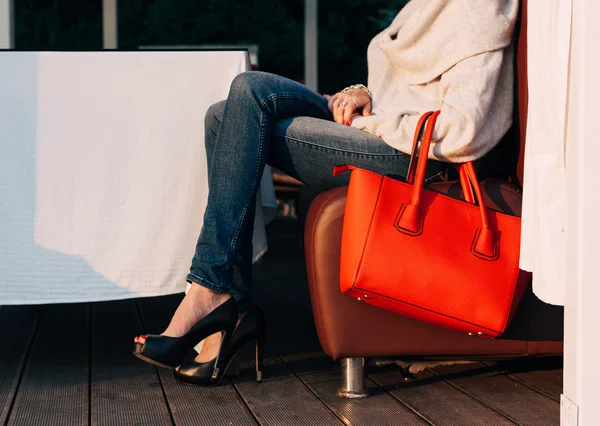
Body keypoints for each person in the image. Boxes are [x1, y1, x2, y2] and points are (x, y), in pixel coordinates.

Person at [133, 0, 519, 386]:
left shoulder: (481, 7)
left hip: (414, 154)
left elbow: (465, 129)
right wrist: (360, 93)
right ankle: (226, 308)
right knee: (234, 102)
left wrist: (379, 122)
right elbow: (405, 88)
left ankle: (209, 293)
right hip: (381, 129)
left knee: (241, 105)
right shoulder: (427, 6)